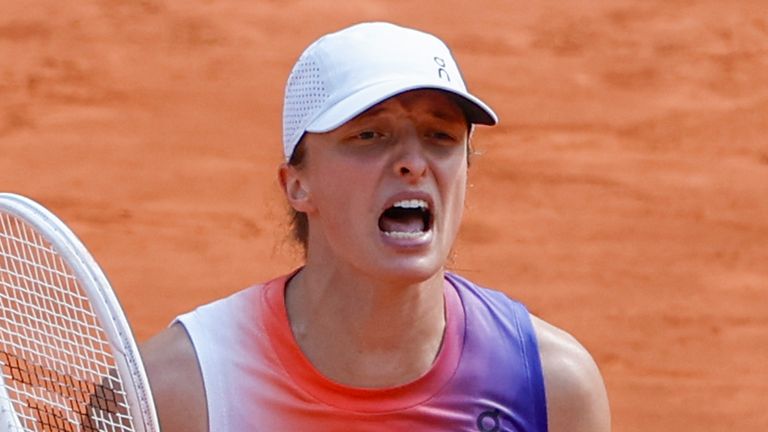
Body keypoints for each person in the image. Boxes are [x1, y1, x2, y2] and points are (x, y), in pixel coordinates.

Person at [140, 22, 611, 431]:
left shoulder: (549, 389)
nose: (412, 162)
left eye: (440, 136)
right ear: (298, 185)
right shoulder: (180, 392)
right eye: (369, 135)